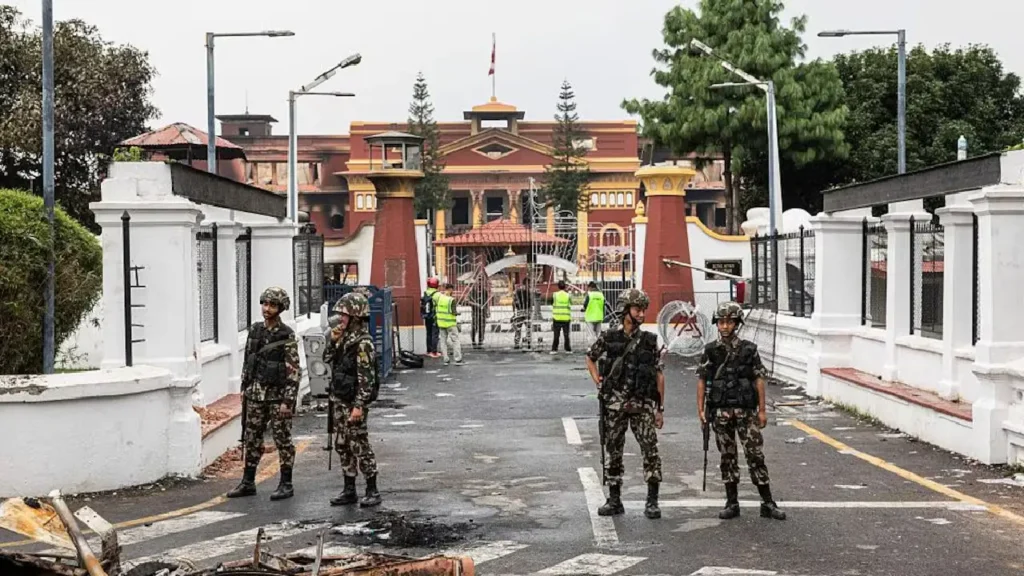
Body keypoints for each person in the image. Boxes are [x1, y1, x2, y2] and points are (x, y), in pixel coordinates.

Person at [696, 301, 786, 521]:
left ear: (736, 324)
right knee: (728, 457)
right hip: (720, 413)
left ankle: (767, 502)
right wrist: (700, 410)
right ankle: (732, 502)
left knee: (755, 455)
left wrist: (762, 410)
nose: (725, 326)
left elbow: (759, 380)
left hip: (746, 413)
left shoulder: (748, 350)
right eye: (722, 322)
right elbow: (702, 380)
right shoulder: (711, 351)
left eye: (729, 322)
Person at [585, 288, 665, 519]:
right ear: (625, 310)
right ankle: (614, 499)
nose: (641, 314)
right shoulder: (609, 338)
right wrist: (598, 381)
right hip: (615, 405)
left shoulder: (650, 341)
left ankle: (652, 501)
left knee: (650, 452)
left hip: (642, 405)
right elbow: (590, 357)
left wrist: (660, 409)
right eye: (637, 309)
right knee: (613, 452)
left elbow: (659, 375)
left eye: (643, 309)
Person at [228, 287, 300, 501]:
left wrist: (288, 400)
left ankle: (286, 483)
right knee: (251, 438)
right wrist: (244, 388)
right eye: (265, 304)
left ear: (280, 308)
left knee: (282, 439)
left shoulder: (286, 334)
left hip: (277, 397)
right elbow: (248, 360)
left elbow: (293, 370)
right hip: (255, 394)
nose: (267, 309)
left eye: (272, 305)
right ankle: (248, 481)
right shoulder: (255, 331)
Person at [325, 291, 382, 508]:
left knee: (359, 444)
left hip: (353, 403)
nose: (341, 319)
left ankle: (372, 488)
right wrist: (333, 340)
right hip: (339, 399)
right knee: (342, 444)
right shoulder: (344, 338)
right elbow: (327, 358)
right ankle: (349, 489)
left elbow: (366, 377)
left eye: (344, 315)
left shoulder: (363, 342)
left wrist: (359, 406)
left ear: (356, 316)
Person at [435, 283, 463, 366]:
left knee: (443, 341)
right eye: (452, 290)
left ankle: (445, 359)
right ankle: (458, 358)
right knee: (455, 340)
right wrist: (458, 313)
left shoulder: (439, 298)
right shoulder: (451, 300)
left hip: (441, 323)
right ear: (450, 289)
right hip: (450, 323)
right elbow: (453, 312)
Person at [550, 280, 572, 354]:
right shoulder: (568, 295)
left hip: (557, 318)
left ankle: (554, 349)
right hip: (566, 318)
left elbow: (551, 303)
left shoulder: (555, 295)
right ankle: (568, 349)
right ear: (565, 286)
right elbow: (571, 303)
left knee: (556, 335)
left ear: (558, 286)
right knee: (566, 335)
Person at [512, 276, 533, 350]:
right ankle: (527, 343)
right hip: (524, 312)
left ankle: (518, 343)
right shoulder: (526, 292)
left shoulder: (518, 291)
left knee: (521, 329)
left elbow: (514, 302)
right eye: (529, 284)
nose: (530, 285)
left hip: (521, 312)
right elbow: (514, 302)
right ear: (526, 283)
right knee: (526, 328)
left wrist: (514, 312)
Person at [421, 277, 440, 358]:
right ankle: (434, 352)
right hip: (434, 316)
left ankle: (429, 350)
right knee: (435, 333)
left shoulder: (425, 293)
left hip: (427, 316)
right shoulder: (437, 295)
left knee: (428, 333)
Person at [470, 275, 490, 349]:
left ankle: (480, 342)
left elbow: (487, 302)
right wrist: (475, 304)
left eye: (481, 280)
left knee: (482, 327)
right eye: (478, 280)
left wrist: (488, 310)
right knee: (474, 327)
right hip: (475, 312)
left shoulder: (484, 291)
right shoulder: (472, 291)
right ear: (476, 281)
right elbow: (467, 300)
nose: (480, 282)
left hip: (482, 312)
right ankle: (473, 341)